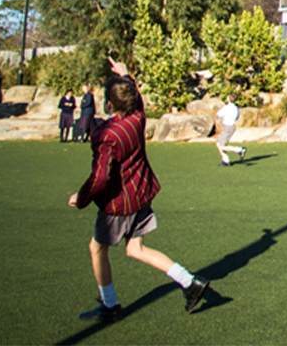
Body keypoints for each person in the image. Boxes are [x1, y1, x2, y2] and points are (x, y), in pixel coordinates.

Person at [68, 57, 206, 322]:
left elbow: (99, 178)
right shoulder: (137, 117)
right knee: (135, 249)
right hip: (140, 196)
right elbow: (136, 100)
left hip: (118, 204)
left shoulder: (106, 134)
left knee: (97, 249)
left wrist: (80, 198)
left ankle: (109, 306)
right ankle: (190, 283)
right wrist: (126, 75)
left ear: (109, 103)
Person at [214, 94, 247, 167]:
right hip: (231, 126)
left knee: (221, 146)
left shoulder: (226, 107)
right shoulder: (236, 108)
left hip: (227, 127)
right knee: (218, 143)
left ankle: (239, 150)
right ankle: (225, 159)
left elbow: (219, 114)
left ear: (229, 98)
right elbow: (237, 117)